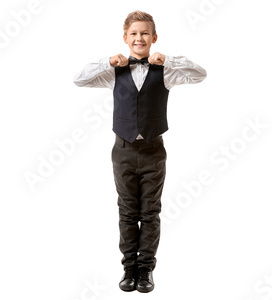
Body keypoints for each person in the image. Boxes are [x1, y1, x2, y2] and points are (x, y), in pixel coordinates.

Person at [73, 10, 206, 294]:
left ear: (154, 38)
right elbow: (80, 80)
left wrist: (169, 59)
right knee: (126, 210)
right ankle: (128, 268)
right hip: (122, 150)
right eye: (133, 34)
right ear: (125, 38)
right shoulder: (114, 72)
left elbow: (200, 74)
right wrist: (107, 61)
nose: (139, 38)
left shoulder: (165, 72)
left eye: (145, 33)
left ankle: (146, 268)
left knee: (150, 211)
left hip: (153, 151)